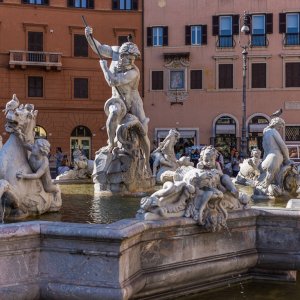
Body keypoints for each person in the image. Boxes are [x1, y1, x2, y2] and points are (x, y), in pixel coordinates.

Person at [84, 26, 150, 163]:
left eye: (134, 60)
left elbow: (112, 81)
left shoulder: (133, 72)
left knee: (143, 128)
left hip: (132, 100)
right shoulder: (115, 51)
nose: (132, 62)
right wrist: (89, 36)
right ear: (122, 55)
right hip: (118, 99)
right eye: (130, 59)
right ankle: (111, 144)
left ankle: (146, 160)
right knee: (114, 113)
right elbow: (99, 48)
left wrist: (103, 67)